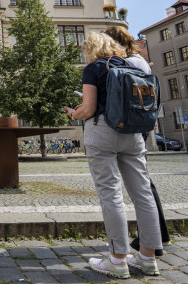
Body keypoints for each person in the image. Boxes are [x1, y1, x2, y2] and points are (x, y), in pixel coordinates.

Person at [65, 33, 162, 278]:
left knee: (111, 193)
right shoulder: (131, 65)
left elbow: (88, 108)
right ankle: (148, 257)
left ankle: (118, 260)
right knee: (143, 193)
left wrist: (74, 114)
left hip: (104, 131)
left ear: (91, 50)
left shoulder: (94, 68)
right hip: (133, 131)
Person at [102, 26, 170, 255]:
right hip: (140, 121)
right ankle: (159, 235)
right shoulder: (139, 60)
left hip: (130, 124)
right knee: (144, 183)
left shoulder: (128, 64)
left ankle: (153, 240)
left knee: (142, 185)